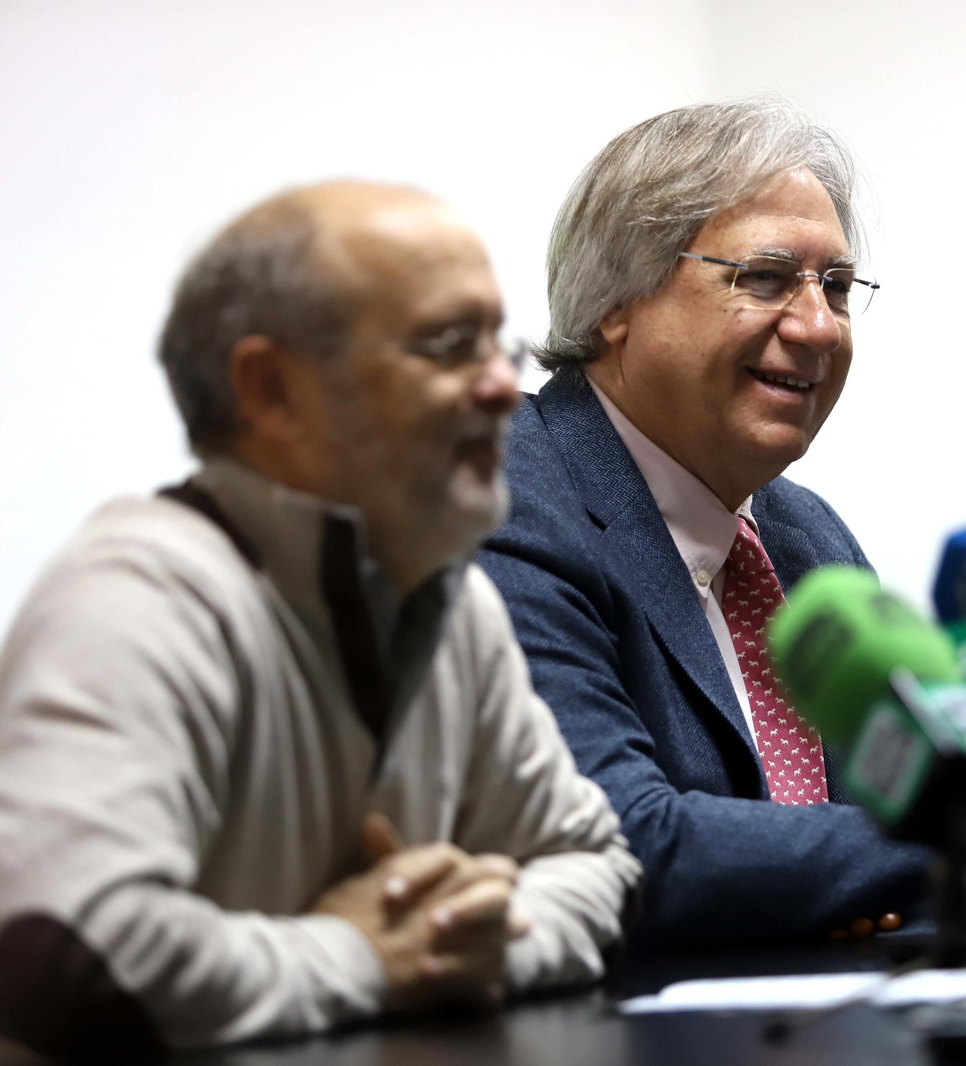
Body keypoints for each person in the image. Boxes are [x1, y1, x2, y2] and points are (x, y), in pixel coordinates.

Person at [0, 182, 641, 1060]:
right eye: (451, 346)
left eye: (499, 342)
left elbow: (599, 863)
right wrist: (361, 960)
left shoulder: (455, 602)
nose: (503, 386)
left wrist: (476, 933)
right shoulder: (139, 594)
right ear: (271, 391)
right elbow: (58, 958)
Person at [478, 100, 942, 946]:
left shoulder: (808, 539)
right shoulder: (505, 491)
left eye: (836, 288)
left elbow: (899, 798)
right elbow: (621, 840)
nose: (817, 327)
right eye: (764, 278)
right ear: (617, 300)